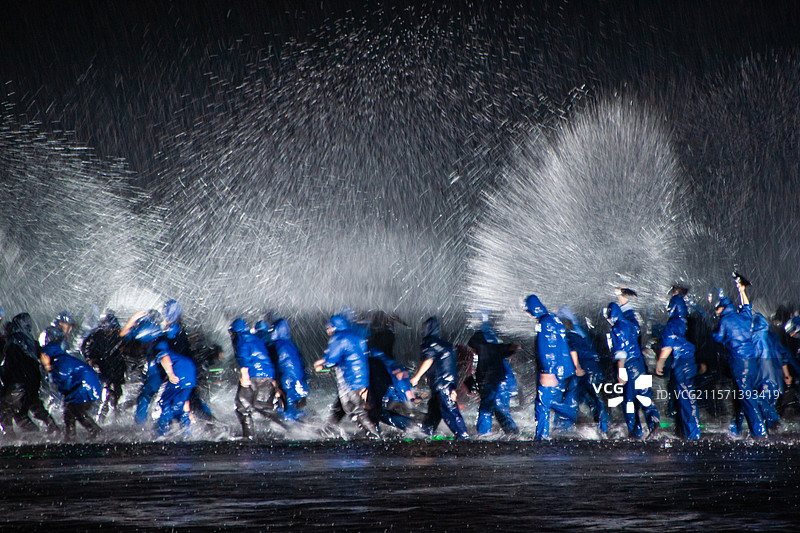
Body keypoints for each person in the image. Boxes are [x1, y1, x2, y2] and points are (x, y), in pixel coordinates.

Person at [711, 280, 767, 438]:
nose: (715, 311)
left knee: (747, 398)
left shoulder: (725, 320)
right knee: (743, 395)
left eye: (717, 308)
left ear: (722, 307)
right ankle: (737, 428)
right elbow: (747, 306)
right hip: (752, 362)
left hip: (739, 363)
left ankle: (760, 432)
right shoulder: (744, 316)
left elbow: (719, 338)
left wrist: (711, 333)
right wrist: (741, 290)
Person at [314, 314, 380, 439]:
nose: (327, 330)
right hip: (361, 380)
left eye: (329, 327)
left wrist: (321, 365)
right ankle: (327, 430)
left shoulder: (339, 338)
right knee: (339, 408)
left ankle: (374, 436)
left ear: (334, 327)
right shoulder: (356, 337)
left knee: (355, 410)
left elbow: (332, 359)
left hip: (350, 381)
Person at [524, 295, 578, 439]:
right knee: (552, 401)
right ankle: (567, 421)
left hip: (552, 370)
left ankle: (542, 436)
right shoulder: (554, 319)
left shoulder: (545, 322)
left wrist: (547, 371)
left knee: (542, 402)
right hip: (562, 370)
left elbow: (548, 347)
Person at [604, 301, 661, 439]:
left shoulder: (617, 328)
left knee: (629, 402)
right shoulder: (631, 324)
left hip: (629, 368)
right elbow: (633, 317)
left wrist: (621, 371)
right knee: (645, 397)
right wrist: (625, 301)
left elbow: (621, 353)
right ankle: (655, 427)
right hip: (640, 366)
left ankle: (635, 432)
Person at [132, 320, 196, 437]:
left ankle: (160, 435)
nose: (141, 346)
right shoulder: (166, 342)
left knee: (162, 404)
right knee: (179, 404)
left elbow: (164, 358)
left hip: (178, 373)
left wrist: (170, 374)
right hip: (190, 372)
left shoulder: (158, 347)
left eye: (142, 343)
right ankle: (187, 433)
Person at [410, 316, 469, 439]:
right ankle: (425, 433)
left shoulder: (430, 343)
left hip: (441, 385)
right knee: (434, 412)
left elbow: (428, 360)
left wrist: (416, 377)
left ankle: (463, 437)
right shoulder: (446, 345)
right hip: (446, 383)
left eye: (424, 327)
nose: (422, 330)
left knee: (450, 411)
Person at [0, 313, 59, 436]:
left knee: (6, 411)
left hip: (18, 382)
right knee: (30, 408)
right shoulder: (31, 340)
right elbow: (41, 357)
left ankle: (11, 438)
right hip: (32, 382)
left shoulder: (13, 340)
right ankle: (51, 429)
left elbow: (7, 362)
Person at [40, 329, 102, 440]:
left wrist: (48, 368)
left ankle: (97, 432)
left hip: (84, 389)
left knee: (77, 411)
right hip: (85, 388)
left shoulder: (60, 362)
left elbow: (58, 384)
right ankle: (70, 437)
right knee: (69, 412)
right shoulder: (61, 359)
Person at [557, 305, 609, 436]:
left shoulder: (567, 337)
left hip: (582, 371)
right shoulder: (580, 336)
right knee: (596, 400)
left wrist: (577, 367)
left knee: (572, 399)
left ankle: (565, 428)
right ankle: (603, 429)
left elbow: (572, 350)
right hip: (594, 370)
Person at [655, 293, 701, 440]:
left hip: (681, 365)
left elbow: (668, 346)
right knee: (687, 399)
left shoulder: (673, 323)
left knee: (686, 400)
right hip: (690, 363)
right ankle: (688, 432)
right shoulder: (688, 322)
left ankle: (692, 435)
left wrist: (660, 363)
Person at [229, 318, 280, 440]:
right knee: (264, 407)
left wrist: (244, 374)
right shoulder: (256, 338)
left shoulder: (241, 338)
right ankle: (291, 426)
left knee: (242, 407)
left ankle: (249, 436)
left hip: (252, 375)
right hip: (267, 375)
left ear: (235, 331)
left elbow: (243, 356)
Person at [468, 318, 519, 437]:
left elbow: (508, 348)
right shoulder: (491, 349)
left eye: (472, 348)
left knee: (487, 410)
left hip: (495, 385)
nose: (472, 351)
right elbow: (507, 348)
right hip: (499, 385)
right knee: (499, 411)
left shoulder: (486, 350)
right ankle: (512, 433)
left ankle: (484, 434)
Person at [81, 310, 126, 422]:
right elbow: (87, 349)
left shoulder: (117, 336)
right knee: (105, 393)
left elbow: (123, 349)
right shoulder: (96, 336)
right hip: (102, 368)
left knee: (116, 393)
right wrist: (91, 361)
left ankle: (114, 415)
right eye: (111, 328)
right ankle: (100, 417)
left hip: (115, 368)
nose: (113, 330)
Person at [752, 312, 791, 430]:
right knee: (770, 403)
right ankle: (772, 428)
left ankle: (774, 425)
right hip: (776, 376)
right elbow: (783, 354)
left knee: (760, 401)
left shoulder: (756, 338)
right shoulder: (772, 336)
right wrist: (786, 374)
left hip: (763, 376)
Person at [270, 318, 309, 421]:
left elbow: (277, 365)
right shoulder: (291, 345)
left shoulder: (278, 345)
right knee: (297, 405)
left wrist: (276, 382)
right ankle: (304, 424)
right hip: (299, 381)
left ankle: (291, 427)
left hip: (288, 381)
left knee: (288, 405)